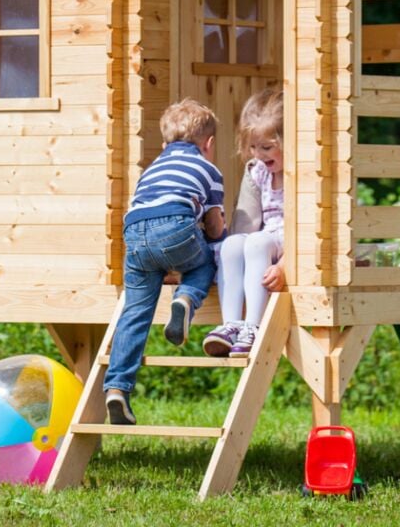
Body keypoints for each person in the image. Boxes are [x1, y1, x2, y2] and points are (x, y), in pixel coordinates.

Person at [104, 98, 225, 425]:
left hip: (135, 234)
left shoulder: (152, 169)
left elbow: (150, 216)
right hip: (176, 229)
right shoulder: (209, 169)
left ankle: (117, 388)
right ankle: (186, 298)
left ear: (164, 143)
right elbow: (213, 228)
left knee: (135, 311)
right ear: (208, 144)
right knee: (207, 261)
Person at [203, 88, 284, 359]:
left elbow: (308, 230)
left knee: (258, 241)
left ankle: (254, 326)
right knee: (233, 243)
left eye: (267, 147)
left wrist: (286, 265)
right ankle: (231, 325)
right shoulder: (258, 171)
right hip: (267, 240)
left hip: (291, 243)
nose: (259, 154)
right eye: (252, 147)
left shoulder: (300, 173)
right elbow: (245, 223)